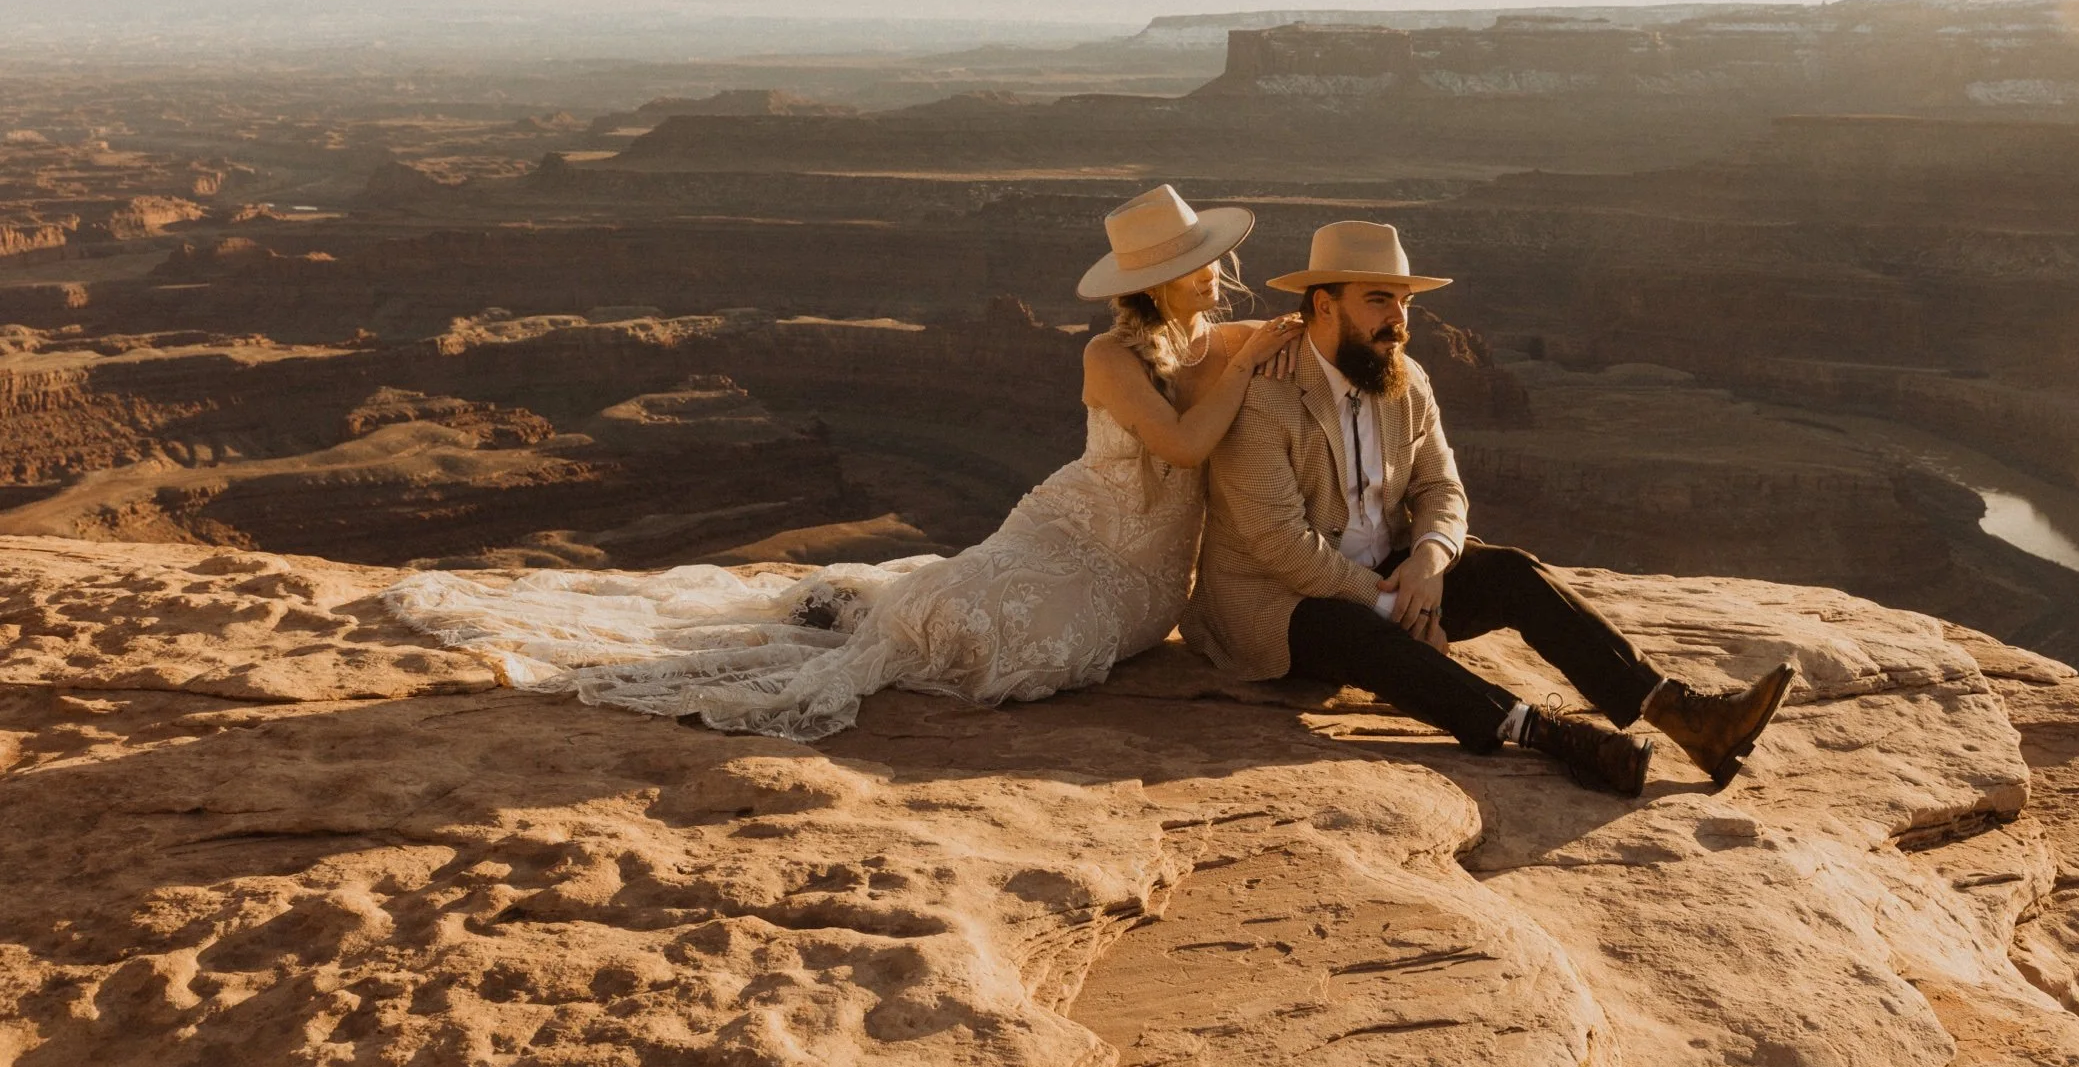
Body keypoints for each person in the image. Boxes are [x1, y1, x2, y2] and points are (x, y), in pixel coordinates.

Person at [386, 185, 1301, 741]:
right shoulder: (1112, 355)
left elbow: (1300, 335)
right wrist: (1251, 360)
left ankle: (862, 606)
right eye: (1201, 265)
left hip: (1145, 575)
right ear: (1157, 280)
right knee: (954, 622)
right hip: (1077, 530)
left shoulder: (1203, 339)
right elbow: (1182, 444)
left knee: (1003, 641)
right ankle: (855, 613)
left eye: (1214, 261)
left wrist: (1300, 330)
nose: (1220, 275)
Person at [1182, 219, 1795, 797]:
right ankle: (1550, 734)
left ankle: (1683, 715)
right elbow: (1277, 544)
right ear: (1323, 306)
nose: (1398, 319)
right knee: (1358, 633)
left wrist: (1429, 557)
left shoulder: (1405, 379)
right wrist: (1393, 603)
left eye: (1403, 302)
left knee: (1511, 572)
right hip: (1281, 606)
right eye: (1378, 300)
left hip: (1392, 578)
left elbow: (1442, 489)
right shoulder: (1267, 399)